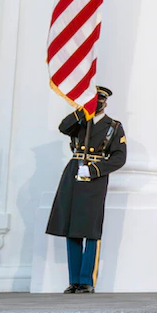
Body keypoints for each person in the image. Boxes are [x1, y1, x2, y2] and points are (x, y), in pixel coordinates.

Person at [46, 87, 127, 293]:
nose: (96, 104)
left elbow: (119, 157)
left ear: (105, 103)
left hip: (94, 178)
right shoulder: (80, 122)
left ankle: (86, 281)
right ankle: (74, 281)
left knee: (90, 229)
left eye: (98, 101)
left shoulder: (114, 127)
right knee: (71, 227)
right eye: (92, 100)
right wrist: (82, 111)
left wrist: (94, 170)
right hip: (74, 174)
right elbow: (63, 127)